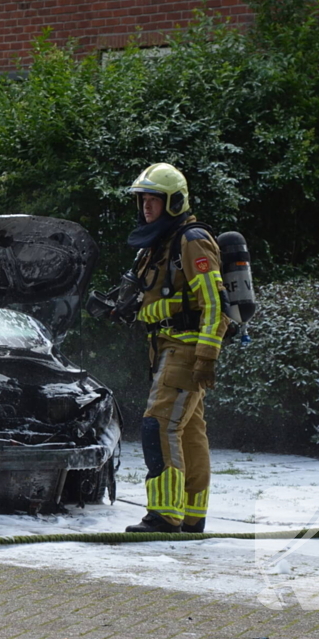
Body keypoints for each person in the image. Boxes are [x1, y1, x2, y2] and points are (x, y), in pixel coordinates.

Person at [118, 163, 228, 534]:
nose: (147, 207)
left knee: (158, 425)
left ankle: (164, 516)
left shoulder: (192, 240)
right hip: (166, 347)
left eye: (154, 200)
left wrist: (207, 356)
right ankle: (192, 515)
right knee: (191, 433)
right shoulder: (160, 242)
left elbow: (214, 303)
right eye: (143, 199)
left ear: (175, 201)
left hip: (186, 348)